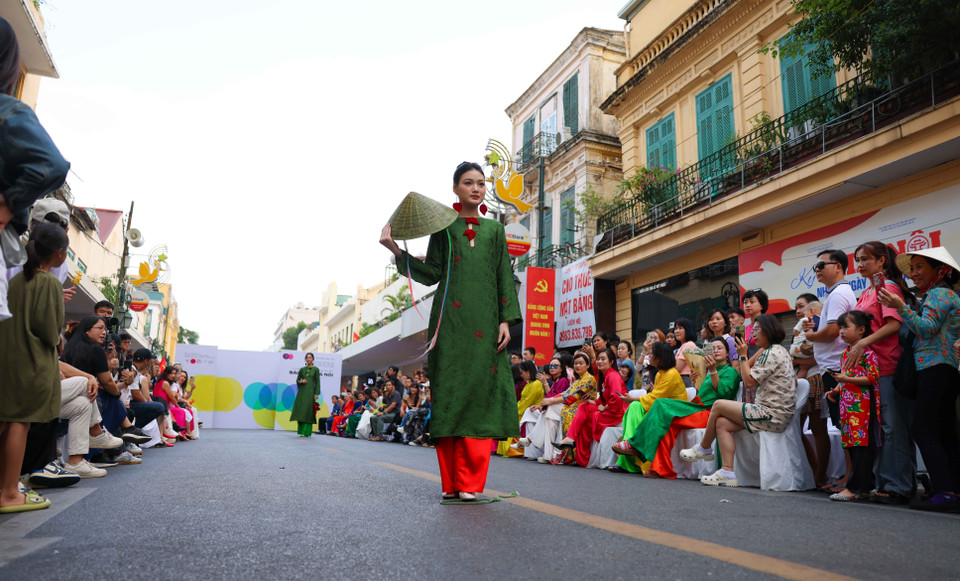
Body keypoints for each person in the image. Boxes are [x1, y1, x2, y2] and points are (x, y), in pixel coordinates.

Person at [381, 161, 522, 501]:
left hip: (486, 324)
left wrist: (505, 320)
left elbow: (503, 275)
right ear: (455, 189)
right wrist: (396, 250)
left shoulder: (495, 230)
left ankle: (470, 483)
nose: (476, 188)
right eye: (468, 183)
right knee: (451, 397)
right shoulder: (442, 229)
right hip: (450, 325)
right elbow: (431, 273)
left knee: (480, 397)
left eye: (481, 183)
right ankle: (451, 483)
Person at [879, 246, 960, 512]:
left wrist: (901, 307)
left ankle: (945, 492)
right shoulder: (940, 294)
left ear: (941, 270)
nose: (913, 273)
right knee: (943, 430)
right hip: (942, 369)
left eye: (919, 267)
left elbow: (926, 329)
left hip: (935, 368)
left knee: (924, 430)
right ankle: (950, 491)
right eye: (911, 268)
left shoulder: (939, 294)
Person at [680, 314, 796, 487]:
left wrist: (742, 355)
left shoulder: (771, 353)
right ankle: (727, 472)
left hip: (771, 414)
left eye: (757, 329)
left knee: (718, 405)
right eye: (753, 329)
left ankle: (704, 448)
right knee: (722, 423)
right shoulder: (774, 350)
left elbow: (748, 382)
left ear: (768, 331)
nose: (753, 333)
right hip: (771, 412)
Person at [0, 224, 67, 512]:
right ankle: (9, 492)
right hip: (32, 362)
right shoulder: (49, 283)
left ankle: (5, 487)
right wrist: (60, 338)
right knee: (20, 423)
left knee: (5, 421)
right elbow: (50, 333)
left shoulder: (16, 280)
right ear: (58, 253)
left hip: (8, 359)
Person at [615, 338, 741, 479]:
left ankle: (636, 444)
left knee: (660, 404)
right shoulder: (708, 371)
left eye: (719, 348)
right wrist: (698, 381)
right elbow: (704, 393)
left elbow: (723, 395)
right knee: (664, 422)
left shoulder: (731, 372)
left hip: (711, 413)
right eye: (712, 348)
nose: (715, 351)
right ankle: (660, 469)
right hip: (697, 407)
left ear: (728, 353)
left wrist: (712, 371)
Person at [849, 241, 915, 504]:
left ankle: (899, 486)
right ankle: (884, 482)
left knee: (892, 428)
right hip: (870, 371)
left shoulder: (887, 287)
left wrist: (863, 342)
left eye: (865, 259)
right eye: (857, 259)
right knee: (879, 429)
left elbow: (894, 324)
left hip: (887, 366)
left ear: (882, 261)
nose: (860, 264)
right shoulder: (867, 291)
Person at [803, 249, 857, 489]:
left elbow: (834, 331)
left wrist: (811, 336)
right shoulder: (836, 293)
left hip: (837, 368)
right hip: (834, 367)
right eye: (815, 267)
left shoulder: (838, 294)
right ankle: (850, 475)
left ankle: (851, 477)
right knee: (843, 423)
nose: (817, 270)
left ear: (838, 266)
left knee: (845, 423)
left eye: (821, 265)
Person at [826, 310, 881, 502]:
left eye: (845, 327)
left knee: (862, 447)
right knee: (852, 446)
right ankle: (864, 487)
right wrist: (836, 389)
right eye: (840, 327)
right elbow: (846, 377)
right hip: (848, 408)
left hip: (863, 407)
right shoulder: (845, 353)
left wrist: (845, 379)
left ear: (861, 330)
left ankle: (854, 487)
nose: (841, 331)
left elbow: (872, 378)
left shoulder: (868, 353)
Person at [614, 341, 689, 473]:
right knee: (635, 407)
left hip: (673, 412)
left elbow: (655, 399)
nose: (650, 356)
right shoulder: (660, 373)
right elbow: (654, 398)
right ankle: (631, 449)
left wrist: (632, 398)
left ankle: (632, 448)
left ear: (660, 358)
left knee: (635, 405)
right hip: (660, 410)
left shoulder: (671, 374)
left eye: (652, 354)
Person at [517, 352, 597, 464]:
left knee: (550, 409)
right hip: (571, 408)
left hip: (582, 409)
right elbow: (565, 393)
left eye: (581, 363)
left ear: (588, 365)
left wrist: (550, 400)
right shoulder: (577, 380)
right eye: (575, 363)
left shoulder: (589, 378)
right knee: (548, 414)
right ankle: (547, 454)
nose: (578, 366)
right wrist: (548, 401)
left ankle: (533, 441)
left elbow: (573, 396)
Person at [554, 348, 628, 467]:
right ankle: (579, 455)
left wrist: (605, 408)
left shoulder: (613, 376)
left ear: (611, 361)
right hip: (610, 410)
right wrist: (590, 401)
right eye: (598, 359)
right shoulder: (604, 377)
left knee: (586, 416)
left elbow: (617, 397)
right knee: (584, 406)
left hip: (616, 413)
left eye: (603, 359)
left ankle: (572, 442)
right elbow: (602, 400)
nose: (599, 361)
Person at [498, 360, 543, 457]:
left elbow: (527, 402)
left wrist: (513, 410)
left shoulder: (536, 384)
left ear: (528, 371)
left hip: (530, 412)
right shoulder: (530, 383)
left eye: (522, 373)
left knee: (509, 419)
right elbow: (523, 401)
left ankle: (512, 450)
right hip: (525, 410)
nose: (521, 375)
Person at [291, 353, 321, 437]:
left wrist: (316, 393)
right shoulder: (302, 369)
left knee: (309, 411)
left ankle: (307, 432)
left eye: (310, 357)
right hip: (302, 392)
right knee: (301, 411)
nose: (308, 359)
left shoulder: (316, 369)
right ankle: (301, 431)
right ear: (305, 359)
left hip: (311, 393)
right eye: (307, 358)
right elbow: (297, 380)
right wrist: (301, 381)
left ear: (313, 359)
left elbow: (317, 382)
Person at [370, 376, 403, 441]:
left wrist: (383, 412)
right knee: (373, 418)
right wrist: (384, 406)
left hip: (395, 414)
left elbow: (393, 405)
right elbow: (389, 404)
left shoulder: (396, 394)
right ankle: (375, 435)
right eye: (386, 385)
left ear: (393, 386)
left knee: (380, 417)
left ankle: (379, 436)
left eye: (389, 385)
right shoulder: (388, 395)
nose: (387, 387)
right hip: (389, 413)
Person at [672, 318, 700, 388]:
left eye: (680, 328)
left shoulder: (688, 345)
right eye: (676, 328)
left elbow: (677, 368)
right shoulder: (683, 346)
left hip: (684, 380)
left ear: (687, 330)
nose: (676, 331)